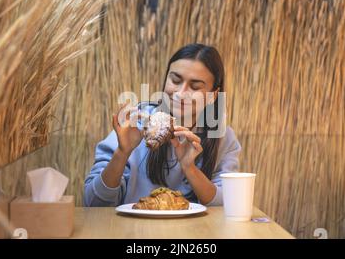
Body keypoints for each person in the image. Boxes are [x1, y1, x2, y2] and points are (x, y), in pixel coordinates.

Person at [84, 43, 241, 206]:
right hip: (133, 230)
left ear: (213, 95)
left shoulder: (223, 138)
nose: (181, 93)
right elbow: (93, 203)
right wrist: (122, 153)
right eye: (175, 80)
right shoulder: (135, 124)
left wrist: (190, 168)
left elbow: (227, 205)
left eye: (195, 86)